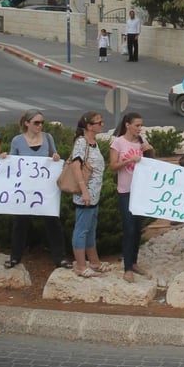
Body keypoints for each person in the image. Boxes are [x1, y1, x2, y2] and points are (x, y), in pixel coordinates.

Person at [3, 110, 69, 270]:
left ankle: (60, 257)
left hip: (45, 189)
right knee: (20, 222)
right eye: (36, 123)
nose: (40, 126)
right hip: (25, 190)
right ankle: (15, 257)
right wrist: (4, 158)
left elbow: (54, 155)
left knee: (52, 222)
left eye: (42, 123)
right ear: (27, 123)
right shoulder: (18, 141)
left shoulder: (47, 138)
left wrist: (55, 158)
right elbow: (13, 161)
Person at [111, 111, 154, 282]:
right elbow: (113, 166)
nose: (139, 128)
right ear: (127, 125)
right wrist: (129, 161)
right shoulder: (118, 143)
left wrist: (150, 150)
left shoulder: (142, 142)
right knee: (128, 228)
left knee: (137, 228)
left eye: (141, 125)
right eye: (137, 125)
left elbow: (152, 163)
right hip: (126, 190)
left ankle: (134, 262)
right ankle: (127, 266)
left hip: (141, 190)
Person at [70, 112, 108, 277]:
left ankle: (94, 262)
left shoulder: (94, 143)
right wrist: (84, 191)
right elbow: (75, 166)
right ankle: (80, 264)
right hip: (85, 195)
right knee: (82, 229)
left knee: (91, 229)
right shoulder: (81, 142)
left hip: (94, 194)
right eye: (98, 123)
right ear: (89, 126)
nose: (102, 125)